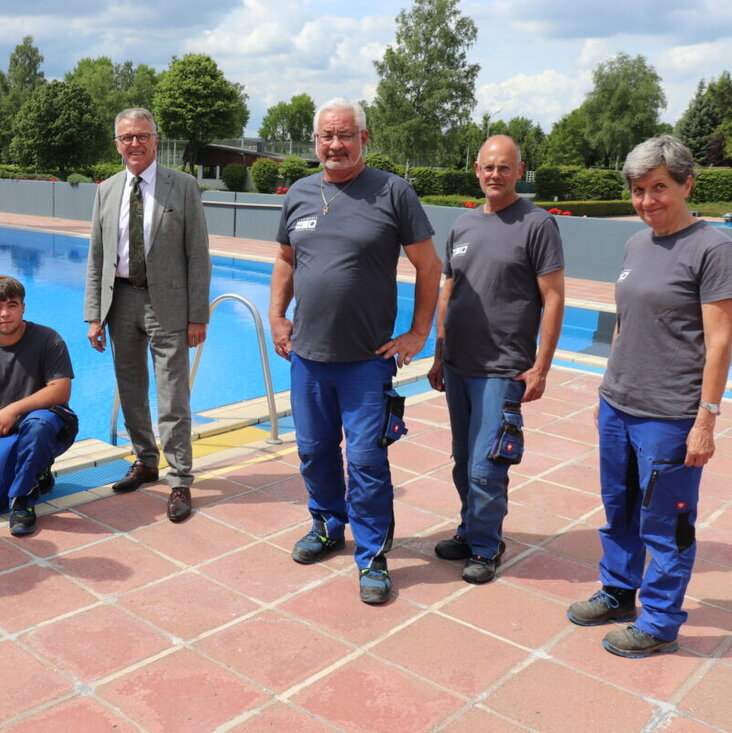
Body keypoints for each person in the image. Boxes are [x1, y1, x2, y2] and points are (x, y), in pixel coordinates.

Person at [269, 97, 441, 604]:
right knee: (313, 451)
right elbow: (285, 260)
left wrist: (418, 333)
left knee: (366, 462)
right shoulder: (300, 193)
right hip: (307, 358)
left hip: (366, 362)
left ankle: (372, 556)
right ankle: (326, 525)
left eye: (345, 135)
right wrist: (278, 315)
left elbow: (429, 266)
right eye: (327, 136)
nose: (335, 145)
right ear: (315, 141)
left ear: (363, 138)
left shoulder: (393, 191)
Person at [567, 136, 732, 658]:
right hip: (620, 405)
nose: (646, 200)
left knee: (666, 523)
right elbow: (624, 323)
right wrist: (607, 389)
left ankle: (660, 621)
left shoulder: (713, 249)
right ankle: (619, 592)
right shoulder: (637, 244)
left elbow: (720, 341)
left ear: (687, 184)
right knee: (619, 511)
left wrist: (705, 420)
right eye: (638, 190)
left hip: (669, 415)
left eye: (658, 187)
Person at [427, 135, 565, 584]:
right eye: (488, 167)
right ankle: (470, 530)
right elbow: (449, 293)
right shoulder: (463, 225)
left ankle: (487, 546)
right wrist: (439, 354)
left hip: (503, 367)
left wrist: (541, 366)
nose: (495, 174)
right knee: (462, 459)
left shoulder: (537, 224)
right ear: (476, 170)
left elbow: (554, 297)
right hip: (458, 364)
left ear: (519, 171)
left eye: (504, 167)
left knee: (487, 465)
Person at [84, 107, 211, 523]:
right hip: (120, 301)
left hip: (168, 305)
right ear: (117, 144)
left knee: (172, 394)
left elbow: (199, 255)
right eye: (127, 138)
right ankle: (145, 460)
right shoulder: (106, 191)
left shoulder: (183, 186)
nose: (134, 144)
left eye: (142, 136)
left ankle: (180, 478)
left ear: (156, 140)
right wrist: (94, 315)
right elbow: (97, 257)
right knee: (131, 388)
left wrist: (198, 315)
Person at [0, 275, 78, 537]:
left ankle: (22, 503)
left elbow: (61, 390)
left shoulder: (48, 339)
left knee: (38, 424)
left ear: (23, 308)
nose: (5, 314)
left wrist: (13, 409)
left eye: (12, 305)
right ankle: (39, 474)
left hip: (51, 426)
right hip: (5, 434)